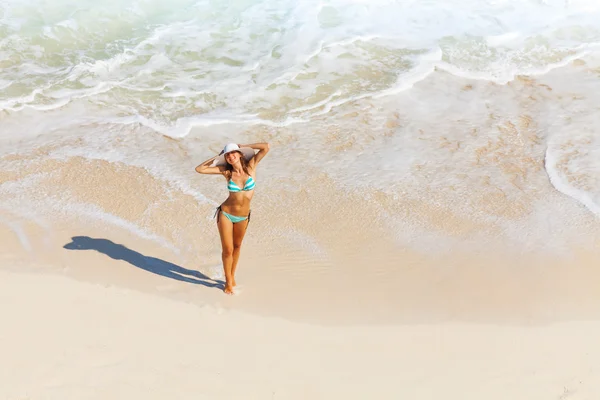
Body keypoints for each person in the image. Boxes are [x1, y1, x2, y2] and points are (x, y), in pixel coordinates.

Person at [195, 142, 270, 294]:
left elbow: (265, 147)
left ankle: (232, 275)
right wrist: (217, 157)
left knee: (237, 247)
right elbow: (200, 169)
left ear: (240, 154)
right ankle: (228, 281)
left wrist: (244, 145)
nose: (230, 156)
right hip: (226, 214)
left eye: (233, 152)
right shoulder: (226, 172)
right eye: (227, 154)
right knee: (228, 250)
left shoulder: (251, 167)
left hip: (243, 217)